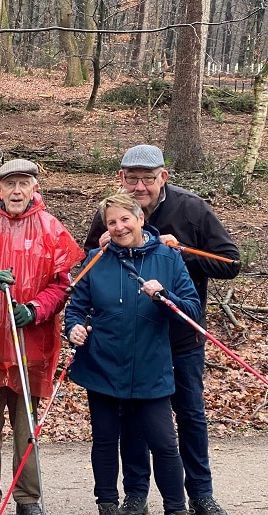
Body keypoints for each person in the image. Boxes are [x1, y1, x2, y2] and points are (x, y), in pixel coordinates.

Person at [84, 145, 240, 515]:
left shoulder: (192, 208)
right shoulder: (110, 212)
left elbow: (231, 263)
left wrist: (179, 252)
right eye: (131, 178)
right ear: (120, 178)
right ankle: (136, 494)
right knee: (133, 419)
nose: (140, 186)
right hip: (130, 342)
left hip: (179, 338)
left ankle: (200, 493)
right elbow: (89, 262)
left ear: (162, 178)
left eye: (148, 178)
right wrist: (103, 246)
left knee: (189, 415)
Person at [66, 191, 202, 515]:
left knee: (165, 443)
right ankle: (108, 504)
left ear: (141, 219)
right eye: (111, 222)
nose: (119, 227)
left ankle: (176, 507)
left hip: (150, 367)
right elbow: (76, 308)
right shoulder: (96, 259)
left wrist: (165, 296)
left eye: (125, 219)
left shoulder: (167, 258)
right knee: (104, 440)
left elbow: (191, 309)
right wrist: (74, 328)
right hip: (103, 365)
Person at [0, 159, 85, 515]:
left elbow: (62, 285)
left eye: (23, 184)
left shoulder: (52, 229)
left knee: (26, 427)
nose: (16, 191)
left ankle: (27, 498)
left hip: (31, 346)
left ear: (34, 188)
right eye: (10, 184)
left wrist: (35, 309)